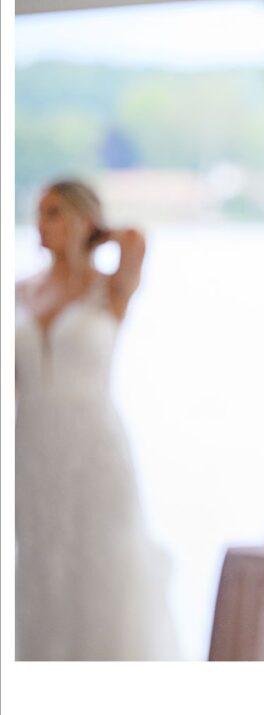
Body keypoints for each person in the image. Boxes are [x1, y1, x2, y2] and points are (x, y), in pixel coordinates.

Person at [15, 179, 178, 660]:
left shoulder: (110, 288)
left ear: (83, 220)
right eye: (39, 213)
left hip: (94, 446)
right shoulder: (20, 291)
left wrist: (95, 236)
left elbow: (136, 239)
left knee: (103, 559)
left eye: (54, 212)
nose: (41, 224)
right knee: (41, 562)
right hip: (33, 446)